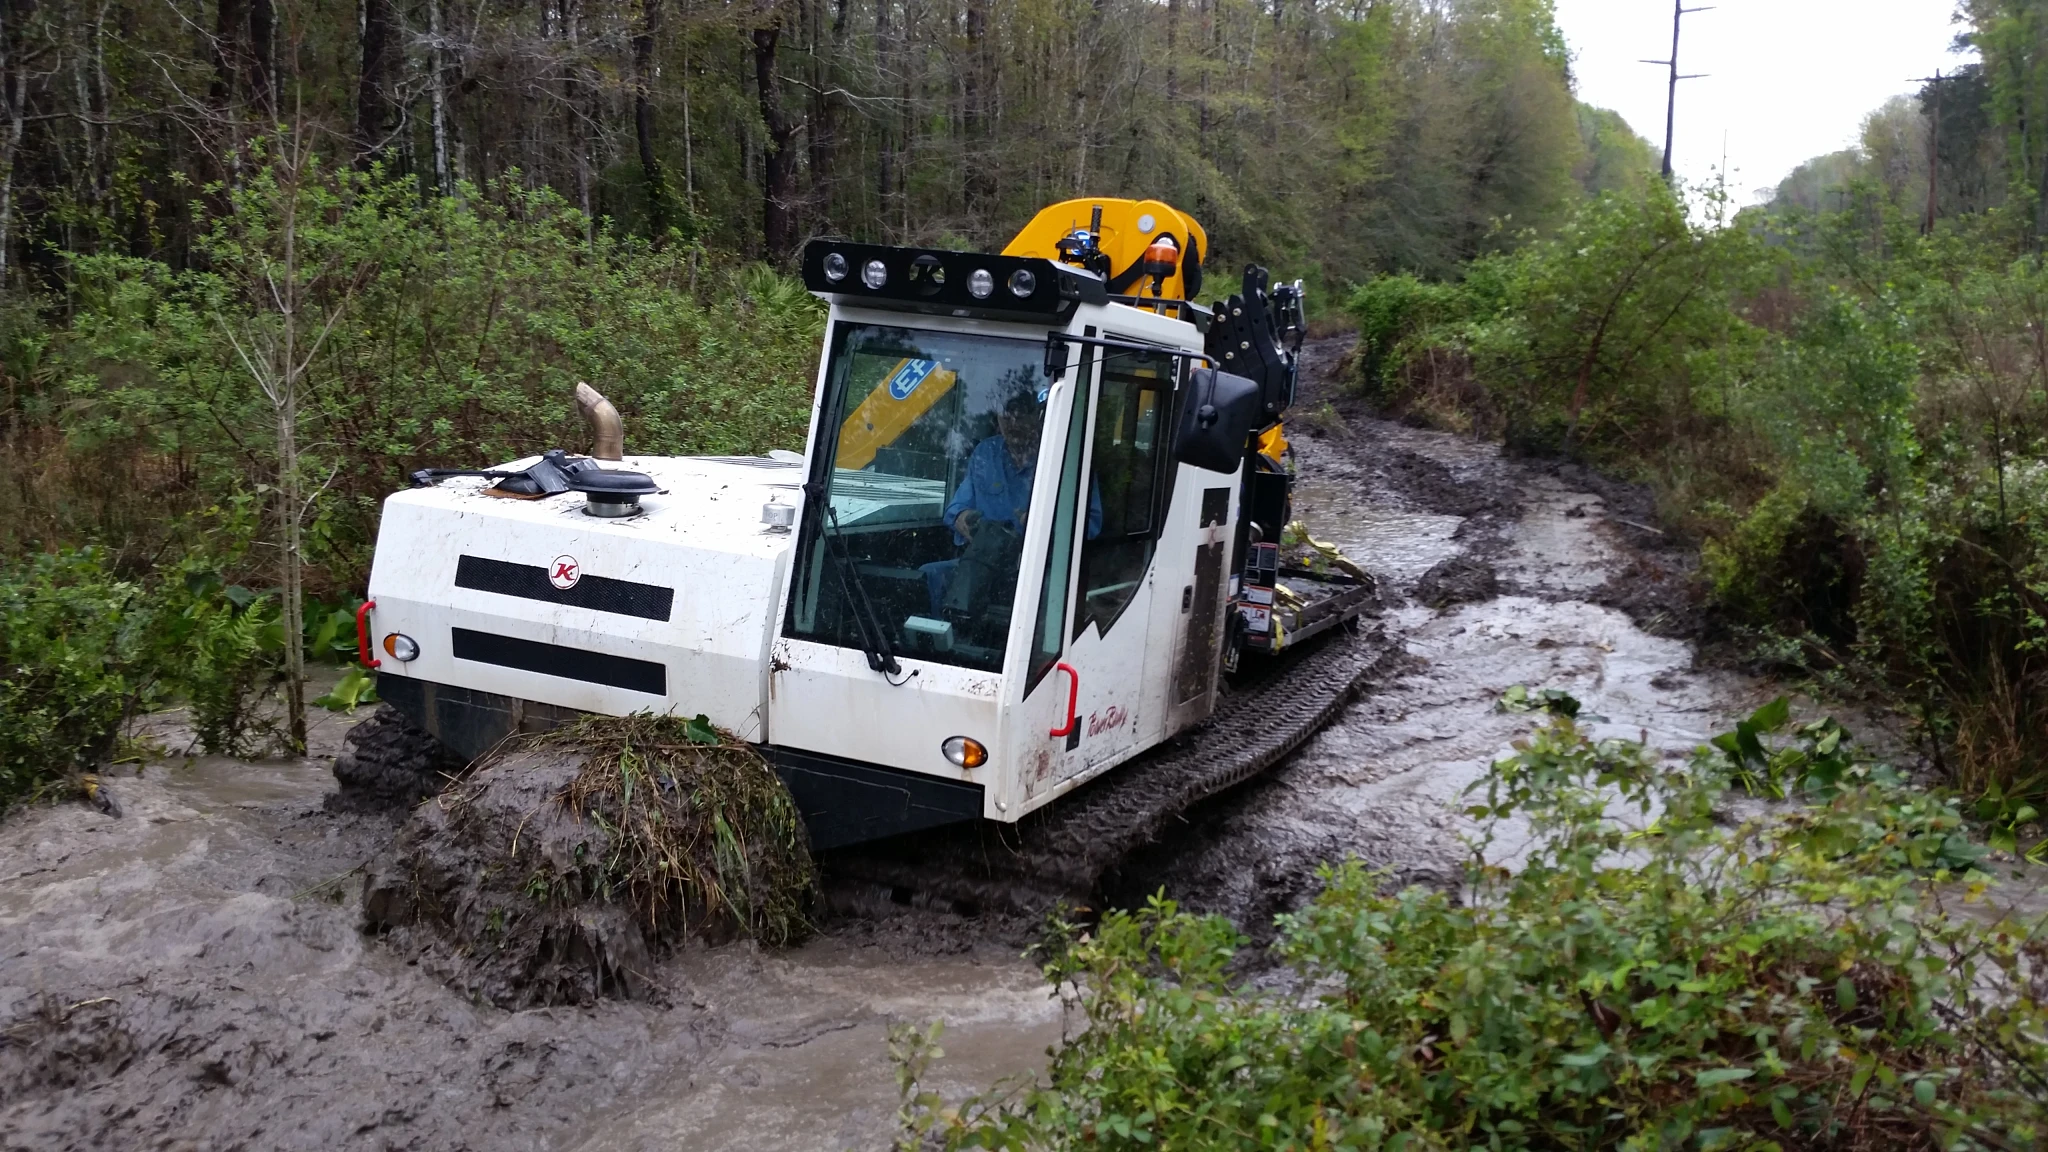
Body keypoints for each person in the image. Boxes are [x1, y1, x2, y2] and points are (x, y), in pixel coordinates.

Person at [924, 390, 1101, 622]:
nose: (1014, 423)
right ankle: (942, 648)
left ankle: (1036, 657)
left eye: (1022, 415)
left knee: (1049, 595)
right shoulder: (985, 453)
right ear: (998, 417)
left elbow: (1092, 523)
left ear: (1039, 414)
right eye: (1008, 415)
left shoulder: (1066, 457)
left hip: (1039, 566)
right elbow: (955, 508)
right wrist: (963, 517)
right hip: (985, 562)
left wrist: (1045, 523)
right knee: (931, 574)